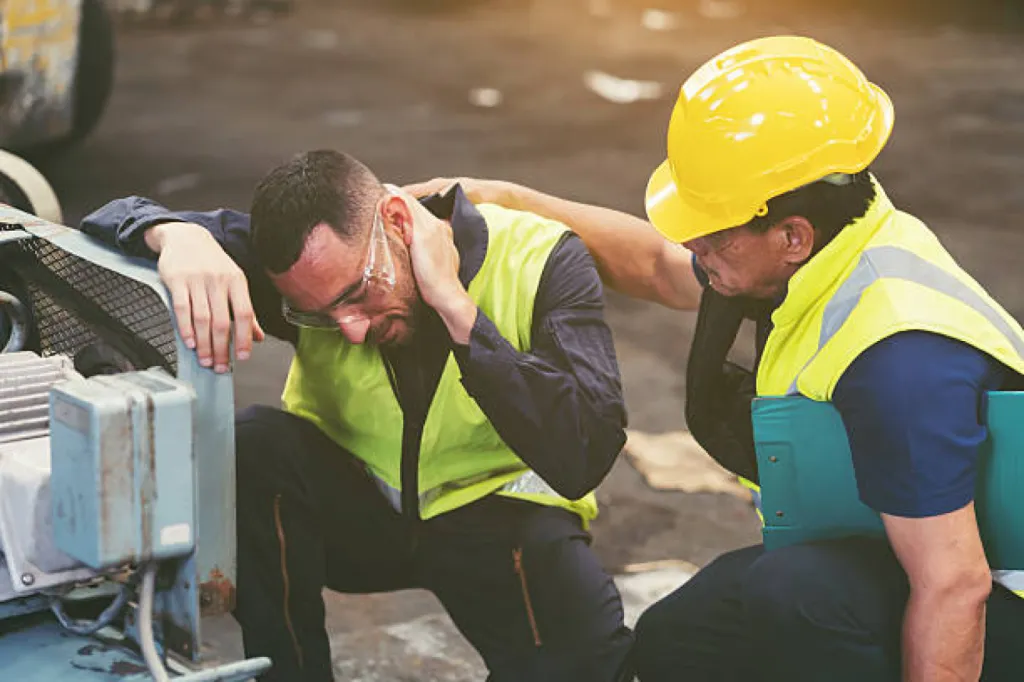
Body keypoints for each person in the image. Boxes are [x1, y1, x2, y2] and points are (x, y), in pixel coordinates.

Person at [406, 35, 1024, 682]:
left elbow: (954, 587)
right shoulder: (823, 241)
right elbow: (658, 266)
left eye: (712, 234)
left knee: (795, 595)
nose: (693, 245)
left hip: (994, 602)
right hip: (889, 551)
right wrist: (507, 199)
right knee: (680, 643)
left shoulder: (900, 358)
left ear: (791, 236)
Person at [79, 149, 635, 682]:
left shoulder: (539, 259)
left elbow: (583, 453)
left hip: (498, 524)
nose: (351, 328)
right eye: (321, 315)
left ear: (397, 221)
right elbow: (108, 217)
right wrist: (176, 234)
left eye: (358, 293)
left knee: (588, 664)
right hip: (361, 516)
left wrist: (457, 310)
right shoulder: (304, 269)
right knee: (255, 447)